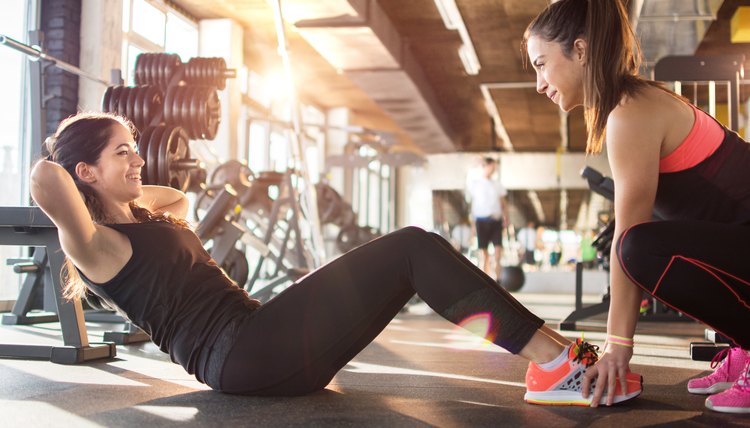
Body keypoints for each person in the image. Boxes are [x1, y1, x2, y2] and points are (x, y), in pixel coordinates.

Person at [30, 112, 642, 404]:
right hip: (242, 354)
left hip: (255, 345)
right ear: (83, 171)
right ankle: (563, 364)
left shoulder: (143, 219)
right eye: (121, 152)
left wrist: (116, 173)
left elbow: (180, 195)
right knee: (409, 246)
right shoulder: (93, 244)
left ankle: (564, 360)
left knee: (410, 258)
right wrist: (72, 153)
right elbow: (44, 178)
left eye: (136, 148)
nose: (138, 158)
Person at [525, 0, 750, 413]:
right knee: (642, 244)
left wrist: (617, 347)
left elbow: (629, 241)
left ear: (580, 50)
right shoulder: (628, 106)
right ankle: (743, 343)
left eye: (541, 64)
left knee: (637, 248)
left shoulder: (631, 113)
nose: (539, 83)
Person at [465, 157, 509, 282]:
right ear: (485, 166)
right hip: (481, 221)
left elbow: (504, 203)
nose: (494, 170)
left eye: (495, 167)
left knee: (498, 252)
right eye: (492, 166)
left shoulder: (497, 185)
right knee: (483, 254)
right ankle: (485, 281)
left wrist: (506, 218)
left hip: (495, 220)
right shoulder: (475, 183)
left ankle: (498, 280)